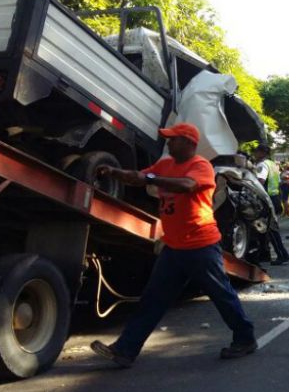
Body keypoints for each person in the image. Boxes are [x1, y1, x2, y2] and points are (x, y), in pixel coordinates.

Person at [90, 123, 258, 367]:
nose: (168, 143)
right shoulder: (165, 165)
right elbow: (141, 177)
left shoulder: (200, 165)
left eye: (173, 139)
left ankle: (245, 338)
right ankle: (125, 350)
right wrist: (115, 173)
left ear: (189, 143)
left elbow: (186, 185)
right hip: (174, 247)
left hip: (200, 245)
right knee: (152, 299)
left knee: (221, 294)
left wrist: (150, 177)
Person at [251, 145, 289, 266]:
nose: (255, 154)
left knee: (270, 228)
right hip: (274, 197)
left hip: (266, 199)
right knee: (262, 226)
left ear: (262, 153)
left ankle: (282, 255)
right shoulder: (272, 164)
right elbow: (277, 182)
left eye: (257, 151)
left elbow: (260, 182)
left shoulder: (262, 165)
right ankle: (265, 254)